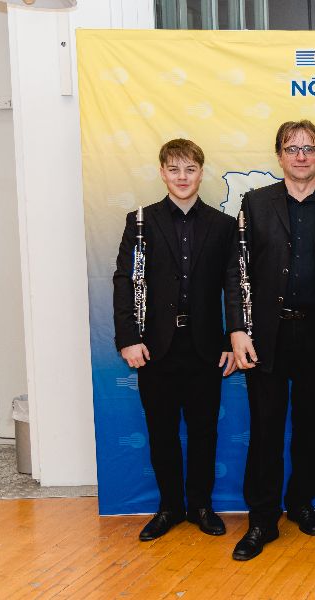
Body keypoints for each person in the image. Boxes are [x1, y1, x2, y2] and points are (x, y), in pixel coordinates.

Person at [226, 120, 315, 561]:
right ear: (279, 155)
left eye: (309, 148)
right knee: (265, 428)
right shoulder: (255, 203)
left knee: (308, 426)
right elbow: (236, 272)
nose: (301, 156)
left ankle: (301, 503)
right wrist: (237, 330)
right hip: (267, 335)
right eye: (292, 148)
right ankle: (262, 519)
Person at [113, 138, 237, 541]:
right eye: (174, 169)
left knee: (204, 432)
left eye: (190, 169)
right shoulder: (140, 222)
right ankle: (169, 507)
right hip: (154, 348)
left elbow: (234, 287)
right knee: (161, 432)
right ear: (162, 173)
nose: (182, 177)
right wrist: (129, 338)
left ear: (201, 173)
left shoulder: (223, 226)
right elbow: (125, 281)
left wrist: (231, 341)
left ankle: (201, 505)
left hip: (205, 347)